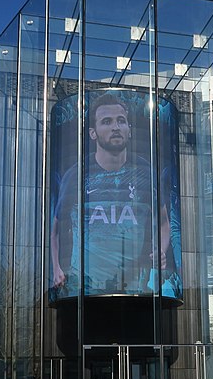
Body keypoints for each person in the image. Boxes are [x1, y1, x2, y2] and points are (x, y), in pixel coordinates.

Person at [50, 93, 171, 298]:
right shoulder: (76, 175)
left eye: (121, 121)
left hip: (134, 288)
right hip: (83, 287)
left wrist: (162, 250)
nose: (115, 127)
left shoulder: (146, 172)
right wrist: (56, 269)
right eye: (107, 121)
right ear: (93, 133)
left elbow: (164, 222)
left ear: (129, 131)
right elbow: (55, 230)